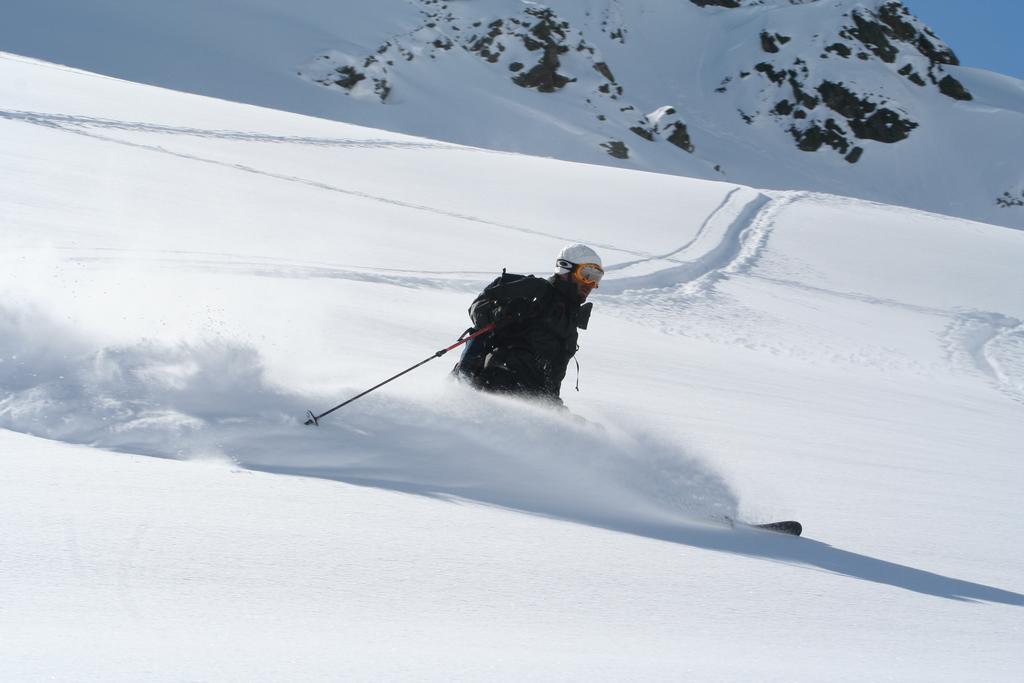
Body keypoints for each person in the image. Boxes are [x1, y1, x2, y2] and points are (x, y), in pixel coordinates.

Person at [452, 244, 603, 405]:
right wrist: (503, 312)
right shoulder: (536, 290)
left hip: (537, 399)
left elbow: (552, 376)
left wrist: (553, 407)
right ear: (565, 269)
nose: (591, 284)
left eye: (596, 278)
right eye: (586, 275)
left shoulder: (571, 320)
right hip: (495, 384)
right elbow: (478, 307)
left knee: (584, 429)